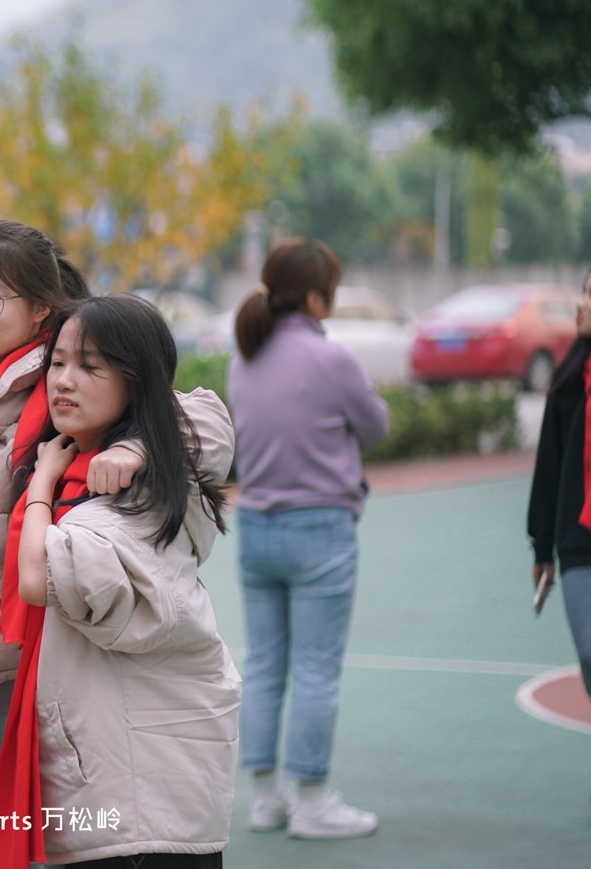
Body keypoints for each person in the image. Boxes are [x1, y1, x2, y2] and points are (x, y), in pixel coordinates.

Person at [0, 220, 232, 869]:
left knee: (61, 848)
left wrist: (136, 447)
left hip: (39, 672)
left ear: (40, 306)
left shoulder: (66, 381)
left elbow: (199, 419)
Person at [0, 294, 239, 867]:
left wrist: (41, 487)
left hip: (139, 787)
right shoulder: (118, 466)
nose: (64, 381)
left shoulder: (120, 495)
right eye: (58, 362)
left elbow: (38, 576)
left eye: (90, 366)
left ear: (136, 380)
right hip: (130, 764)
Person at [226, 238, 388, 840]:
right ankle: (313, 801)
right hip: (319, 527)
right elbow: (375, 425)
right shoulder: (331, 358)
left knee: (266, 665)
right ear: (317, 298)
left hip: (256, 527)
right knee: (317, 669)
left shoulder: (244, 357)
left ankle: (268, 799)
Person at [527, 268, 591, 701]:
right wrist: (542, 546)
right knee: (589, 650)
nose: (581, 304)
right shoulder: (569, 382)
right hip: (579, 543)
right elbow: (548, 467)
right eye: (584, 293)